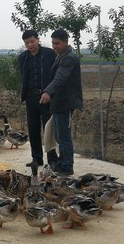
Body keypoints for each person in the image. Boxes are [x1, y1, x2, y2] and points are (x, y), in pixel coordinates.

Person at [40, 29, 83, 176]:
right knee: (59, 136)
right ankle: (61, 163)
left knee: (64, 137)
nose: (54, 46)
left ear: (66, 42)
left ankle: (67, 167)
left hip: (66, 102)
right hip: (59, 103)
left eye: (57, 43)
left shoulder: (69, 58)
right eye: (52, 43)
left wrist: (47, 92)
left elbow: (60, 78)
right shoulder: (61, 56)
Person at [18, 30, 58, 168]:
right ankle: (36, 158)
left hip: (46, 96)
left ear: (38, 40)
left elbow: (55, 75)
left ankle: (52, 159)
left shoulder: (49, 54)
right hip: (30, 97)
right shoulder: (22, 58)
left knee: (49, 128)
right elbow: (24, 78)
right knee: (33, 129)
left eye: (32, 41)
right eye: (26, 43)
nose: (30, 45)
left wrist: (50, 92)